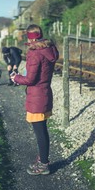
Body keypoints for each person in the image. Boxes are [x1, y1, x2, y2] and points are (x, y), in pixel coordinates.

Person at [11, 24, 59, 175]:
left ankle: (44, 164)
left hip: (37, 96)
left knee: (40, 132)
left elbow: (30, 79)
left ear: (30, 38)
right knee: (42, 130)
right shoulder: (49, 49)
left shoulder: (34, 53)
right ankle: (42, 159)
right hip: (44, 93)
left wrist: (16, 78)